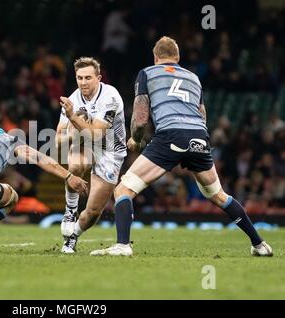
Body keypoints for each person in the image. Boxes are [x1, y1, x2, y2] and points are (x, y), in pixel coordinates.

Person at [90, 36, 273, 257]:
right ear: (177, 58)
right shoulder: (194, 78)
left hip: (170, 134)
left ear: (155, 57)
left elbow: (140, 117)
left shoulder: (147, 73)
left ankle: (122, 245)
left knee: (124, 189)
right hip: (199, 137)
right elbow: (202, 113)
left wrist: (136, 140)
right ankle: (259, 244)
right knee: (217, 195)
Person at [56, 57, 126, 253]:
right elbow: (57, 140)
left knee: (93, 212)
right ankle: (70, 210)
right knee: (76, 165)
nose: (83, 82)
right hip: (85, 145)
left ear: (98, 78)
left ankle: (73, 236)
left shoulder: (110, 97)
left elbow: (96, 134)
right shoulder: (72, 99)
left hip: (110, 151)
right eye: (79, 78)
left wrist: (73, 118)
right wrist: (72, 131)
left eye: (88, 77)